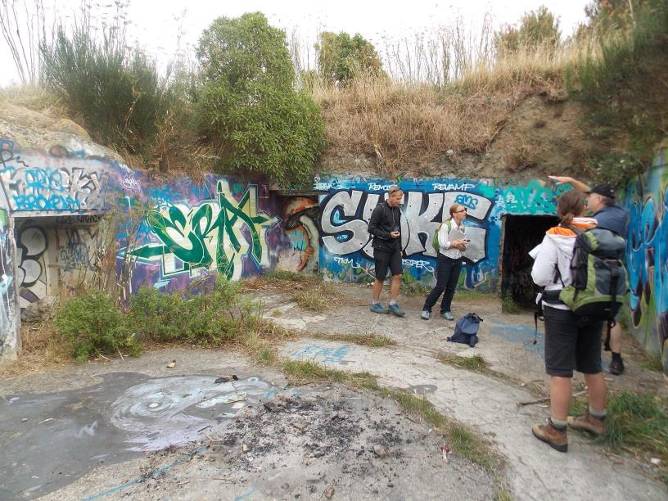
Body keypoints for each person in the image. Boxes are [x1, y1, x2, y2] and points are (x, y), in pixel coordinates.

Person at [529, 190, 608, 453]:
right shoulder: (600, 233)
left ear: (561, 211)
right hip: (594, 306)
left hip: (562, 309)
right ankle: (596, 419)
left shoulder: (556, 236)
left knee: (560, 370)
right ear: (585, 209)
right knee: (592, 364)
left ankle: (557, 430)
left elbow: (539, 276)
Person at [548, 176, 629, 375]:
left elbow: (573, 221)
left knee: (608, 314)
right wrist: (570, 180)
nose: (587, 200)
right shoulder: (617, 211)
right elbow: (589, 191)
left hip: (599, 273)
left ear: (599, 199)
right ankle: (615, 359)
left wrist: (567, 218)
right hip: (613, 273)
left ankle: (615, 358)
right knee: (611, 313)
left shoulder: (599, 220)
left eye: (590, 197)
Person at [420, 204, 468, 321]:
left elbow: (465, 246)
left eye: (465, 210)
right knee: (441, 286)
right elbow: (443, 244)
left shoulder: (462, 227)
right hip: (445, 259)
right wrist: (455, 243)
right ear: (454, 214)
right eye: (462, 211)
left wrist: (462, 246)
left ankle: (445, 310)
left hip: (457, 259)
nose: (465, 212)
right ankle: (426, 308)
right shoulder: (446, 226)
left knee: (451, 287)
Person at [368, 185, 406, 317]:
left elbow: (398, 229)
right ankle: (375, 303)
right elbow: (371, 228)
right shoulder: (380, 209)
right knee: (380, 277)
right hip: (381, 248)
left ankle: (393, 304)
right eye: (397, 198)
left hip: (394, 248)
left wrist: (400, 248)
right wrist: (388, 235)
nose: (399, 201)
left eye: (400, 198)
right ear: (390, 197)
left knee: (398, 275)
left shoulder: (397, 210)